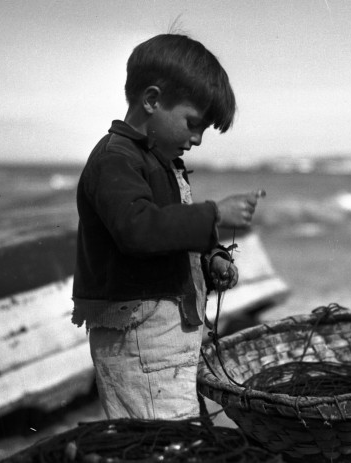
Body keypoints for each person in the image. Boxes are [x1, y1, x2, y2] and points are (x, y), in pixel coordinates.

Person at [71, 33, 263, 420]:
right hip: (138, 339)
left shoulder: (161, 160)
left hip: (167, 335)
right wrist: (214, 215)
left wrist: (211, 260)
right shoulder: (116, 159)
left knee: (176, 431)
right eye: (193, 124)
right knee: (163, 440)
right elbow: (138, 229)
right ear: (152, 100)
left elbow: (169, 233)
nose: (197, 140)